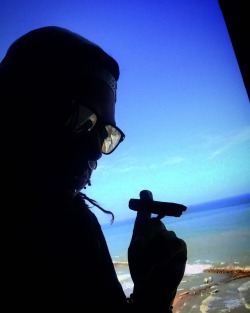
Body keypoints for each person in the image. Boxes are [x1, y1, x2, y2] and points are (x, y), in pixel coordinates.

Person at [1, 26, 187, 312]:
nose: (94, 151)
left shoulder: (76, 224)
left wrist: (151, 294)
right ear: (19, 108)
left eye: (105, 133)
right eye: (80, 117)